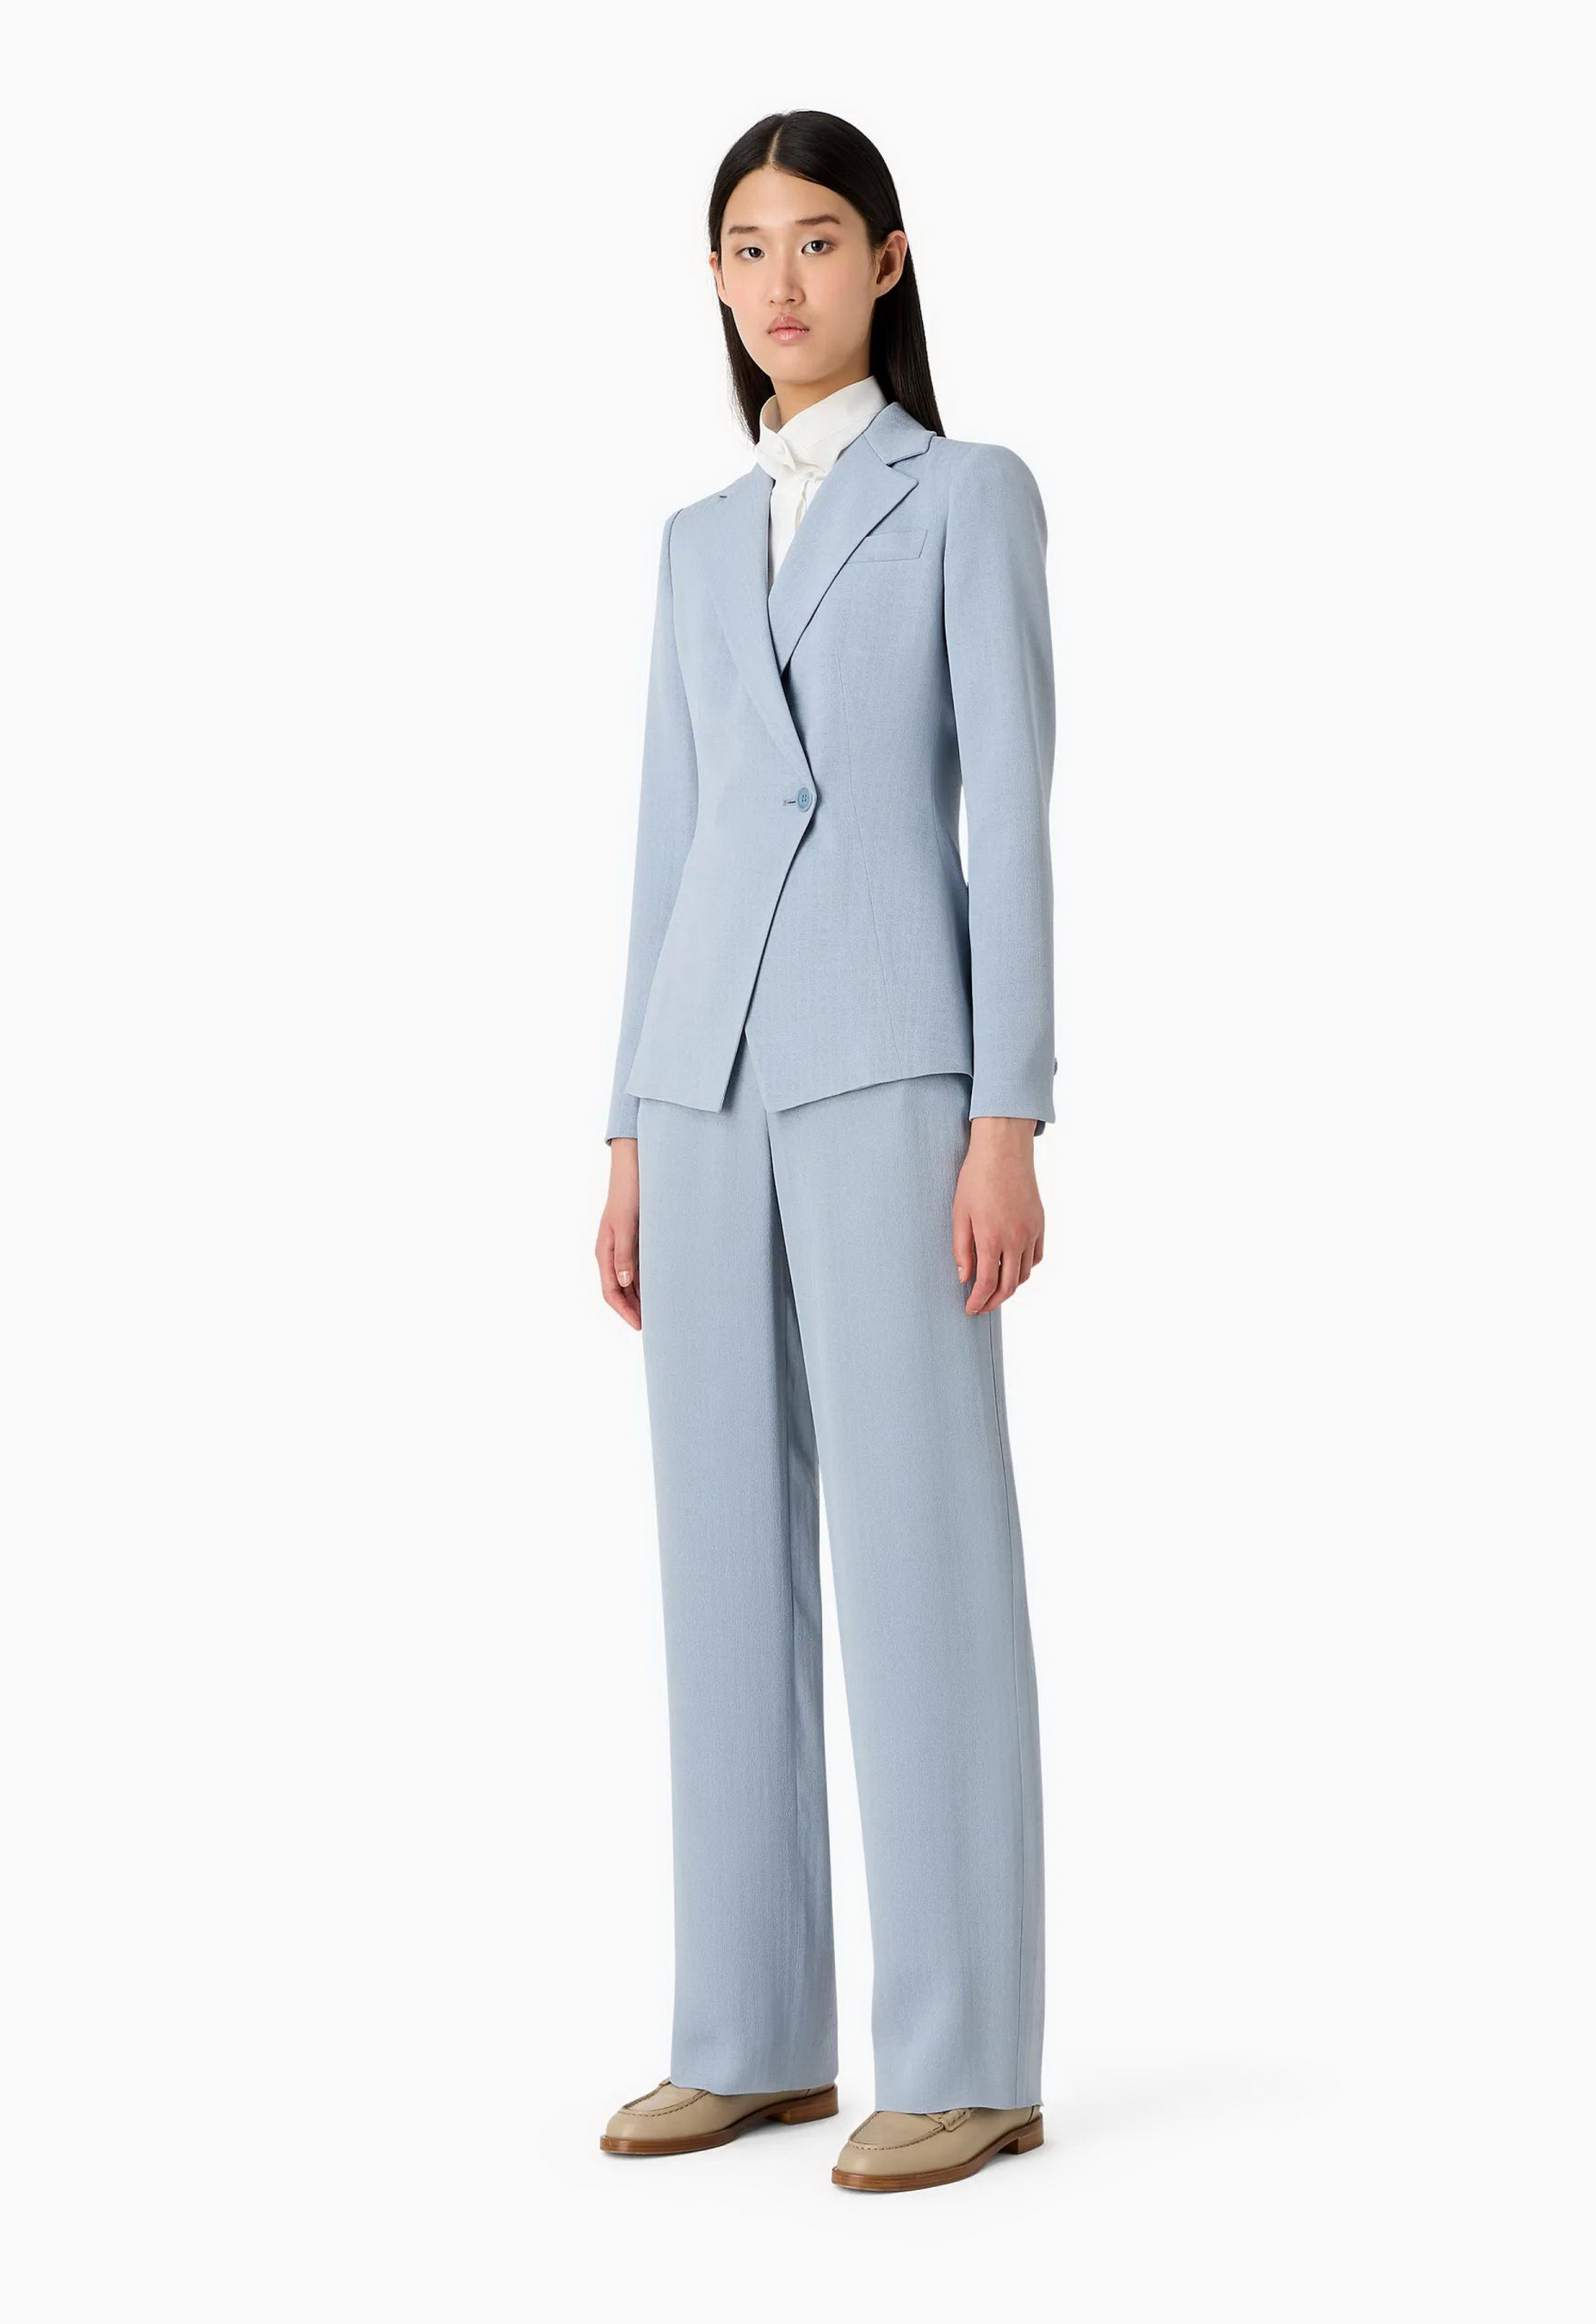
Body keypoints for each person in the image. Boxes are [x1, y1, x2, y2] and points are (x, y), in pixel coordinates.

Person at [594, 109, 1055, 2196]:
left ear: (884, 260)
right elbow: (665, 846)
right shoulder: (693, 543)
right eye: (743, 246)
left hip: (889, 1066)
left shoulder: (963, 496)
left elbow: (1009, 817)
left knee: (919, 1545)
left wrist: (1006, 1112)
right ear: (712, 279)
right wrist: (624, 1126)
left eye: (813, 241)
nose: (777, 279)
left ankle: (962, 2053)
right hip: (699, 1084)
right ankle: (749, 2033)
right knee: (715, 1556)